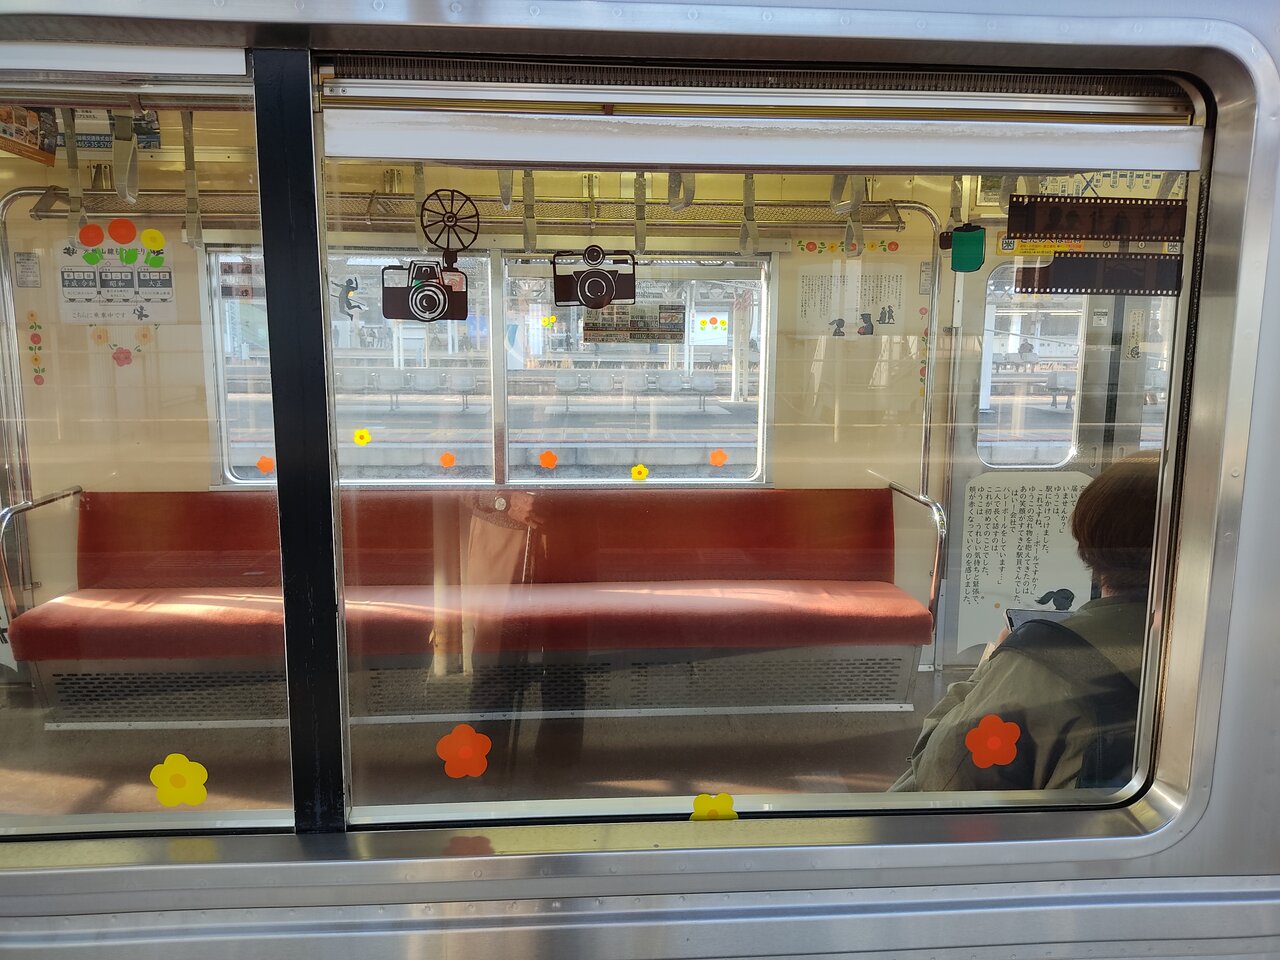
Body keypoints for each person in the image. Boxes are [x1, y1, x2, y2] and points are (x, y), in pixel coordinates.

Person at [892, 453, 1159, 791]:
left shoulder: (1039, 662)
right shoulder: (1211, 659)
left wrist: (993, 665)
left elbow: (942, 772)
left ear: (1090, 542)